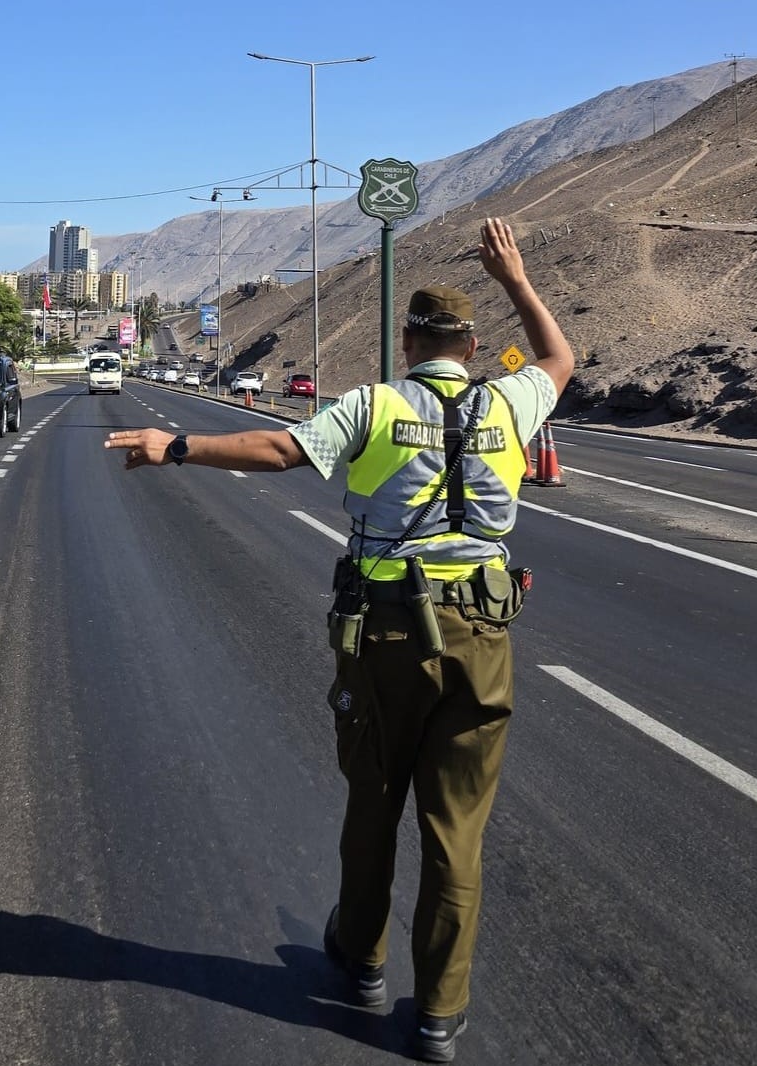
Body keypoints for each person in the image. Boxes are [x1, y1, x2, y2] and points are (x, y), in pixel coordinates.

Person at [104, 217, 574, 1063]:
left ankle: (359, 960)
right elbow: (558, 359)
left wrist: (174, 444)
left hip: (390, 629)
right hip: (483, 629)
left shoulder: (378, 404)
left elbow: (278, 449)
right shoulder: (510, 399)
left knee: (374, 799)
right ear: (470, 346)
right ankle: (438, 1014)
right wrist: (515, 278)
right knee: (455, 826)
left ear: (406, 341)